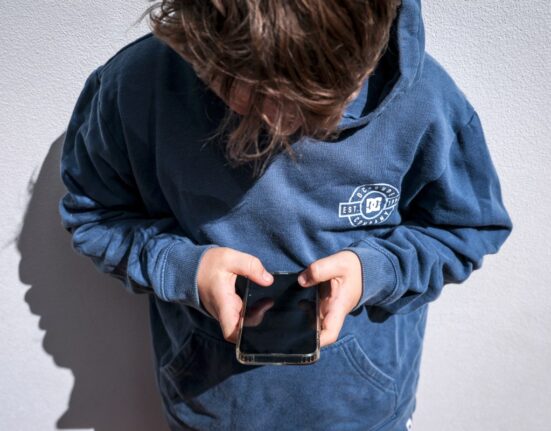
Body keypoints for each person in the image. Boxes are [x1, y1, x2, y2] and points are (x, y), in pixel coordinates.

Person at [58, 0, 513, 430]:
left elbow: (465, 228)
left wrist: (373, 271)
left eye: (312, 107)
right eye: (251, 95)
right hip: (207, 411)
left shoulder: (426, 103)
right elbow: (95, 216)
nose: (278, 123)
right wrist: (184, 269)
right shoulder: (136, 88)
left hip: (363, 413)